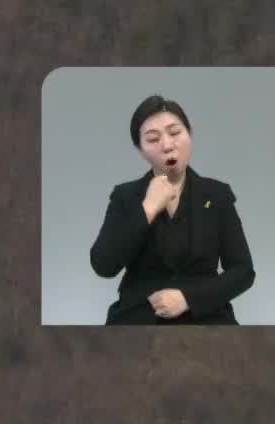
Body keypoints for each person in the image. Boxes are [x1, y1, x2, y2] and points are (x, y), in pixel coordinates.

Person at [88, 95, 255, 324]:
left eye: (175, 133)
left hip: (207, 318)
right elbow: (103, 265)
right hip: (138, 320)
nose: (167, 145)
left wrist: (189, 298)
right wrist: (147, 208)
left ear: (190, 135)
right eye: (153, 139)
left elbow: (243, 271)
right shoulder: (125, 196)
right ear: (140, 149)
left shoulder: (217, 195)